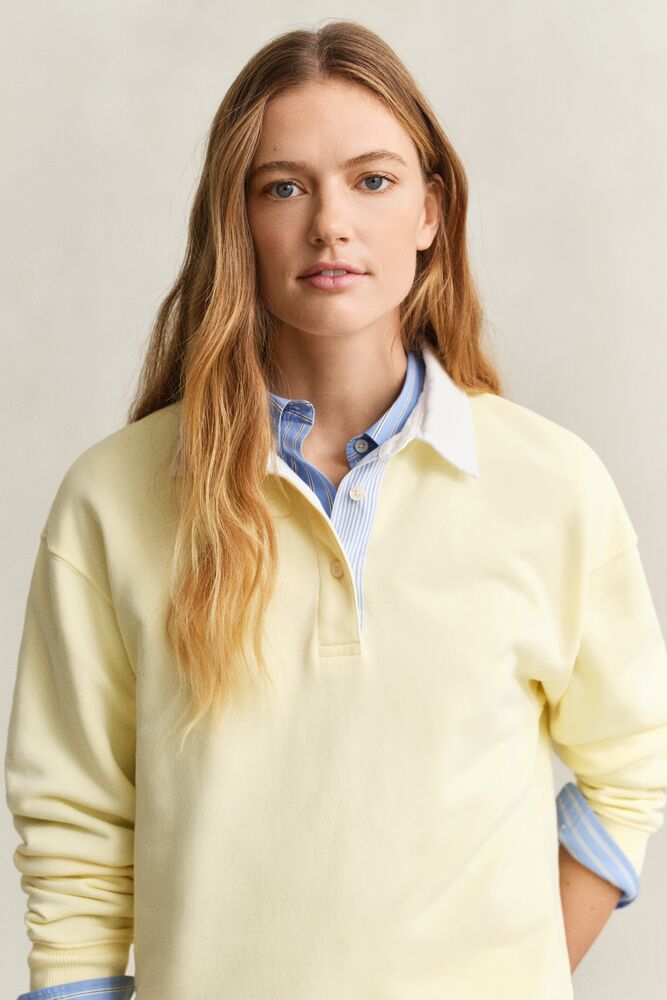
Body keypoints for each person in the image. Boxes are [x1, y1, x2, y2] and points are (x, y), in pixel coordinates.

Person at [5, 18, 667, 1000]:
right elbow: (76, 828)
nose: (330, 225)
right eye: (284, 187)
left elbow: (632, 761)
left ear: (430, 210)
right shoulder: (113, 500)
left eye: (372, 180)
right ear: (235, 220)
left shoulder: (551, 485)